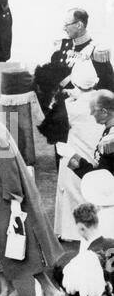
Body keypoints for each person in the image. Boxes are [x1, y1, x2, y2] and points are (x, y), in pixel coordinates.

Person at [0, 87, 64, 296]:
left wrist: (15, 203)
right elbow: (0, 162)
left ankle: (49, 291)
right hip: (1, 199)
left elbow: (9, 169)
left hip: (8, 201)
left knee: (23, 248)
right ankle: (7, 289)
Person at [35, 8, 114, 161]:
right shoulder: (62, 47)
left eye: (67, 24)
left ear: (79, 25)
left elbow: (108, 89)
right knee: (64, 159)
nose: (64, 28)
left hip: (87, 119)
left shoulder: (97, 52)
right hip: (62, 115)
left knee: (85, 161)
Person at [54, 63, 103, 241]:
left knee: (72, 190)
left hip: (75, 151)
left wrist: (67, 98)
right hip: (96, 151)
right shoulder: (102, 100)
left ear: (75, 83)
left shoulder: (70, 107)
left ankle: (71, 231)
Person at [57, 90, 114, 178]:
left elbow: (98, 178)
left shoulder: (110, 141)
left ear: (104, 112)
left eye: (94, 111)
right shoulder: (109, 130)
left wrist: (72, 156)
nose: (91, 113)